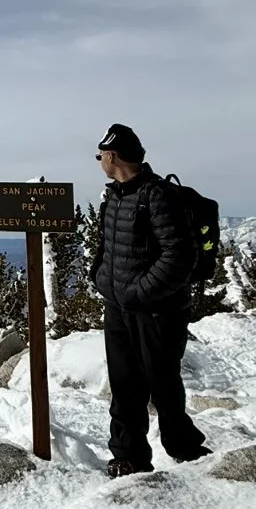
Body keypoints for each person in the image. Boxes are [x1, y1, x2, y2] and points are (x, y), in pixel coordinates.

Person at [90, 123, 210, 477]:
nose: (99, 161)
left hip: (157, 310)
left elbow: (180, 255)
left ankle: (184, 447)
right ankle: (128, 457)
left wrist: (139, 291)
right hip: (120, 308)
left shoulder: (158, 196)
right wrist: (103, 280)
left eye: (101, 155)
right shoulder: (115, 196)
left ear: (113, 156)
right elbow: (107, 249)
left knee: (162, 383)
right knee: (124, 384)